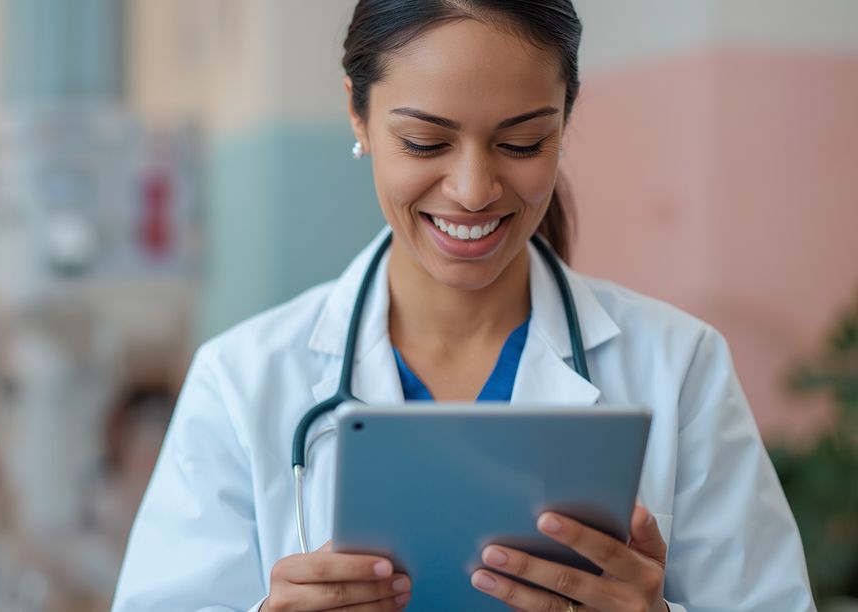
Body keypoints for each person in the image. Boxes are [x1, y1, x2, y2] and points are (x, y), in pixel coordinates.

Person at [111, 1, 814, 610]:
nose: (474, 189)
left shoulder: (677, 364)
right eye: (425, 141)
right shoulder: (241, 380)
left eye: (521, 142)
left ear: (566, 120)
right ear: (358, 112)